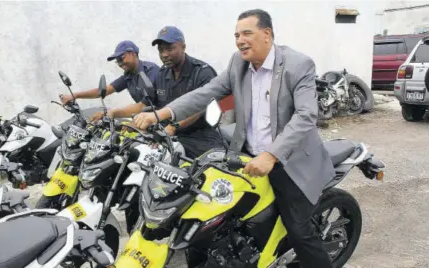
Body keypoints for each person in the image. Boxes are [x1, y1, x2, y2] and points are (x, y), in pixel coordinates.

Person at [133, 9, 335, 268]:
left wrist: (271, 154)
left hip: (289, 161)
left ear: (267, 34)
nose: (240, 40)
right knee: (212, 211)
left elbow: (306, 116)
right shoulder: (238, 63)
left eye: (247, 33)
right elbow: (205, 93)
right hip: (246, 155)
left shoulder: (298, 65)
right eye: (237, 35)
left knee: (299, 231)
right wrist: (161, 114)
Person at [105, 26, 224, 158]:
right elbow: (146, 104)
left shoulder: (202, 72)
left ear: (183, 47)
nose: (164, 54)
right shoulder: (163, 73)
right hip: (168, 135)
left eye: (170, 49)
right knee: (131, 154)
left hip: (200, 138)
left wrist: (174, 128)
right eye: (161, 50)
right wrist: (130, 119)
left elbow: (199, 108)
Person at [59, 40, 159, 120]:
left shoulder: (150, 71)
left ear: (133, 54)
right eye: (118, 61)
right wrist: (74, 95)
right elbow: (104, 90)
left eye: (121, 58)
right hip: (145, 118)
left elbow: (143, 106)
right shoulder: (129, 76)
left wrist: (111, 112)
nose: (120, 64)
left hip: (162, 121)